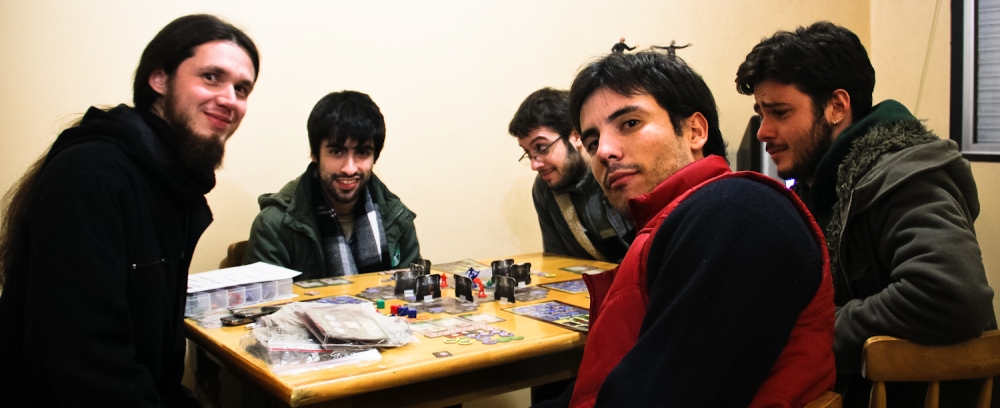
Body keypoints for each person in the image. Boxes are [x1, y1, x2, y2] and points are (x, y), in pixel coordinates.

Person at [535, 51, 836, 408]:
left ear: (695, 131)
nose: (604, 151)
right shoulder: (676, 221)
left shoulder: (736, 212)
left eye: (630, 123)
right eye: (592, 142)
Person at [0, 14, 259, 407]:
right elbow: (84, 370)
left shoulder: (172, 185)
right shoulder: (93, 174)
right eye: (211, 77)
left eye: (242, 89)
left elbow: (155, 367)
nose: (229, 100)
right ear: (158, 79)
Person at [736, 21, 997, 407]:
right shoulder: (821, 187)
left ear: (837, 107)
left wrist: (813, 331)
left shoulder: (902, 176)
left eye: (780, 112)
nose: (763, 131)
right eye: (761, 114)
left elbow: (951, 295)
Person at [244, 91, 419, 280]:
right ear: (314, 153)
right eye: (337, 152)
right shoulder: (274, 226)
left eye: (362, 152)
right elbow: (264, 300)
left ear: (374, 157)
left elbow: (414, 294)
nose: (349, 169)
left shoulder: (397, 217)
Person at [508, 88, 634, 262]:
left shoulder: (616, 166)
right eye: (528, 153)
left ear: (576, 136)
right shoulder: (544, 188)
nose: (534, 165)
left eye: (541, 147)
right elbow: (556, 260)